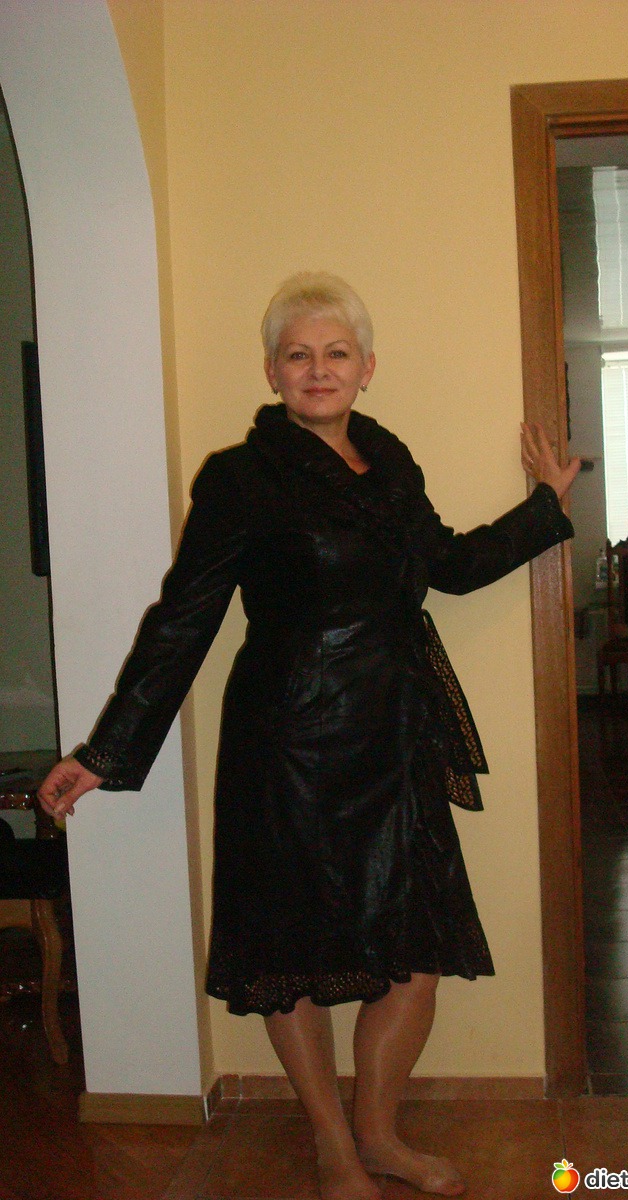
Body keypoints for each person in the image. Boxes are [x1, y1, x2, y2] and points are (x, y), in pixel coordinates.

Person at [38, 273, 579, 1200]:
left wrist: (543, 507)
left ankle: (379, 1136)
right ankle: (332, 1147)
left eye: (336, 353)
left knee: (412, 955)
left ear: (366, 368)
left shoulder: (392, 464)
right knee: (289, 955)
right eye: (298, 354)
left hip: (395, 737)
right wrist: (106, 751)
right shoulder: (239, 477)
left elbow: (447, 566)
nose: (317, 369)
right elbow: (183, 621)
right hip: (286, 745)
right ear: (272, 371)